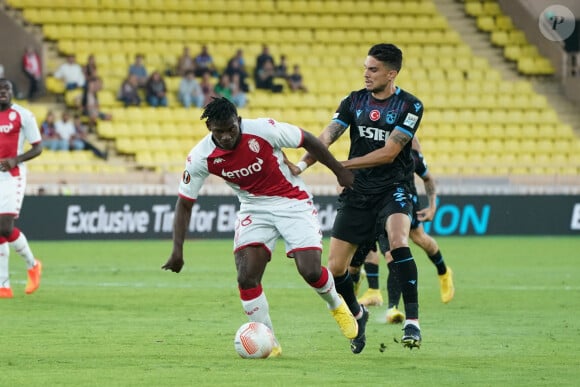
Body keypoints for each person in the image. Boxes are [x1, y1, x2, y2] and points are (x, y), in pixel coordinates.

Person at [161, 97, 358, 357]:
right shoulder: (201, 156)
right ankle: (269, 340)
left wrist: (339, 171)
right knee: (246, 276)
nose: (227, 136)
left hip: (292, 201)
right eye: (219, 131)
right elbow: (184, 203)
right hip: (253, 208)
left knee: (310, 271)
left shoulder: (263, 130)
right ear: (209, 127)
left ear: (238, 122)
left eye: (231, 129)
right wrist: (177, 250)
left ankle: (335, 304)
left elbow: (308, 139)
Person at [294, 43, 424, 350]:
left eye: (373, 69)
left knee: (397, 241)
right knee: (336, 268)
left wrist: (339, 165)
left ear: (392, 74)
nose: (366, 73)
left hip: (394, 187)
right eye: (365, 68)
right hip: (358, 191)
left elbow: (390, 153)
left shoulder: (410, 105)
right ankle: (357, 313)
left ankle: (413, 322)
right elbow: (327, 137)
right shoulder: (353, 101)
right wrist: (301, 165)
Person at [0, 78, 43, 298]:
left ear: (12, 92)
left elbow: (38, 147)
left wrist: (16, 159)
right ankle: (3, 285)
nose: (2, 92)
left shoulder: (23, 115)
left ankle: (32, 264)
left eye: (6, 88)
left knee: (5, 227)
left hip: (12, 177)